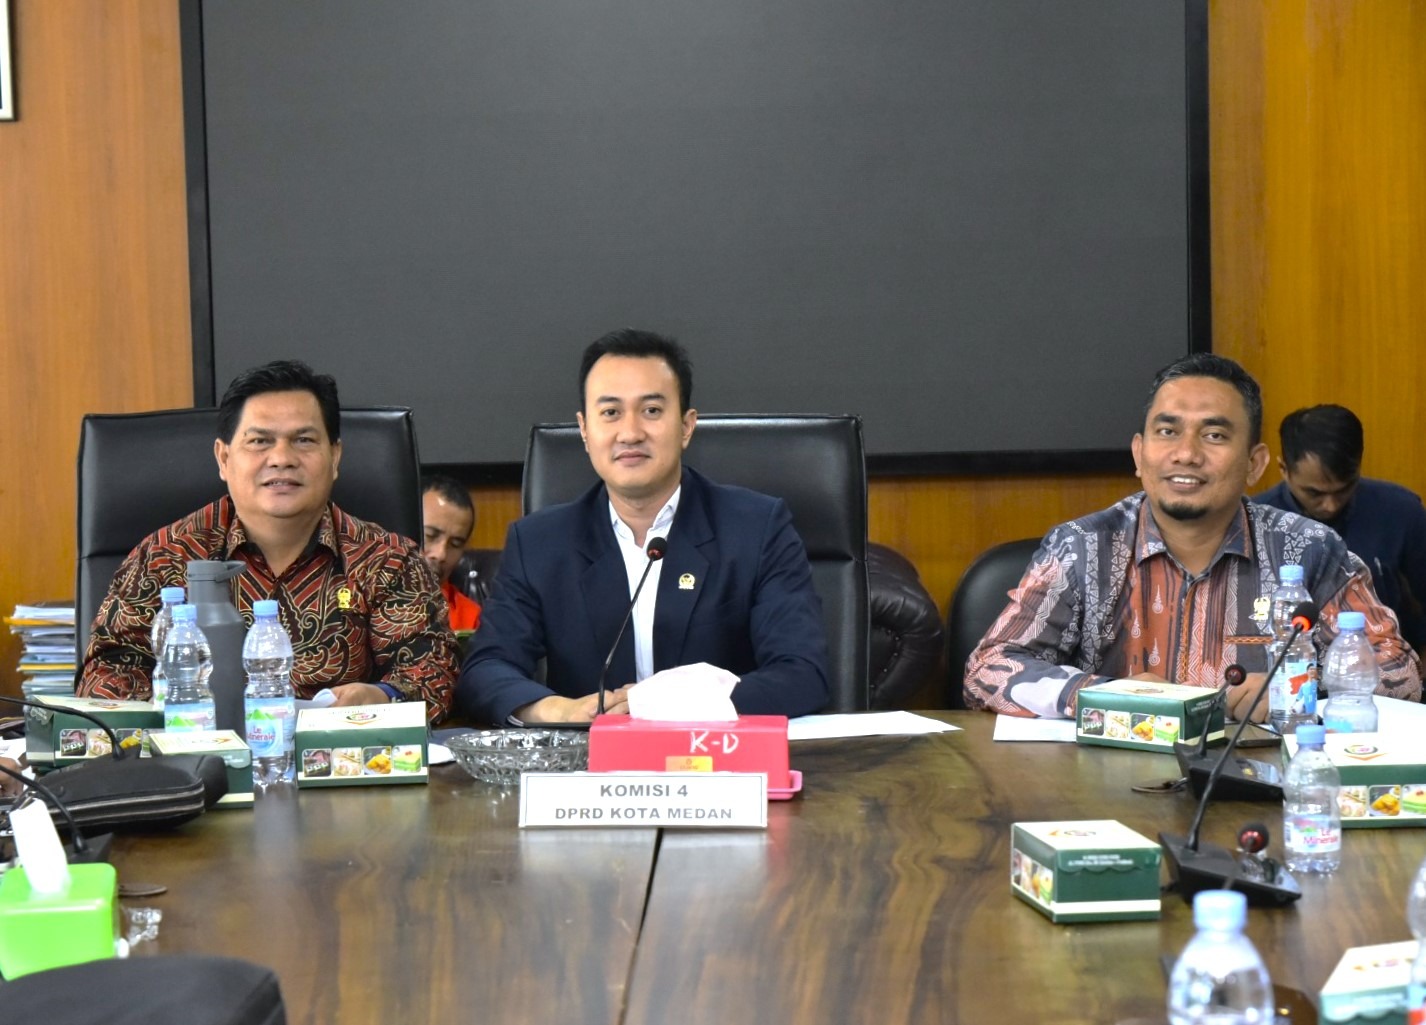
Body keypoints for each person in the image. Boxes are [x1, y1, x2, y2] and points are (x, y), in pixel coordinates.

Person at [964, 353, 1421, 720]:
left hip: (1260, 783)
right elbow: (989, 669)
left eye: (1215, 435)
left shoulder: (1309, 550)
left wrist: (1295, 690)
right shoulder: (1083, 548)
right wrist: (1104, 694)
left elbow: (1400, 676)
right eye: (1167, 431)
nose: (1186, 454)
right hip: (1109, 783)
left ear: (1254, 464)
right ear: (1139, 454)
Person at [457, 329, 829, 725]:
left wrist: (668, 706)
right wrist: (561, 710)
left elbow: (802, 672)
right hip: (590, 757)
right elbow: (486, 670)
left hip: (718, 753)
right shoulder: (539, 543)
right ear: (584, 430)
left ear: (686, 426)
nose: (630, 433)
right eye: (610, 413)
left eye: (651, 410)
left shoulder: (756, 528)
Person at [78, 360, 457, 722]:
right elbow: (106, 674)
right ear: (224, 458)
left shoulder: (388, 560)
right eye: (260, 441)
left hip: (339, 758)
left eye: (303, 440)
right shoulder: (165, 556)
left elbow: (432, 672)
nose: (281, 458)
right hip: (197, 757)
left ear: (335, 456)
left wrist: (383, 697)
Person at [1255, 404, 1426, 652]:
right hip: (1288, 663)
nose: (1331, 505)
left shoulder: (1402, 511)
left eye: (1344, 489)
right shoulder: (1256, 522)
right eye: (1314, 493)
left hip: (1384, 663)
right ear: (1284, 470)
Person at [421, 475, 482, 632]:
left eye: (455, 544)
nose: (441, 554)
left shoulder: (471, 619)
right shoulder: (361, 595)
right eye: (430, 536)